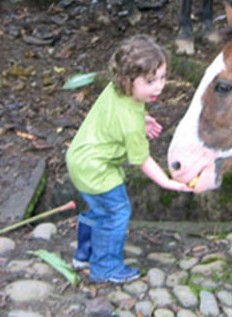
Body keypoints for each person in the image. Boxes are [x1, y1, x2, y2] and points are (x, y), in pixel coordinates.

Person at [65, 34, 193, 284]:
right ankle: (105, 267)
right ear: (127, 80)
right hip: (98, 170)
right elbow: (142, 160)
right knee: (116, 212)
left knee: (99, 210)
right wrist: (167, 182)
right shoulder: (130, 124)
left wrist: (142, 118)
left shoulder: (115, 89)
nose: (159, 87)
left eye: (163, 77)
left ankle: (84, 255)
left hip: (79, 160)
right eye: (150, 81)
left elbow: (116, 114)